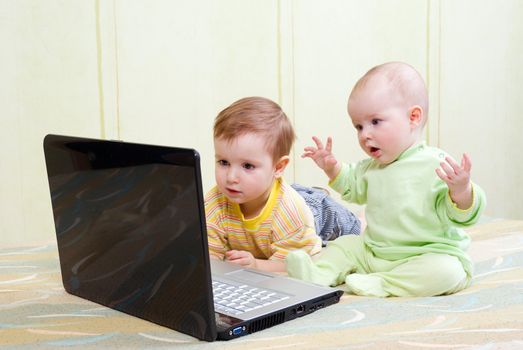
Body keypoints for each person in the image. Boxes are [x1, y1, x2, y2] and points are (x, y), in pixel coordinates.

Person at [286, 62, 487, 297]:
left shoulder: (436, 164)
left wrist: (461, 190)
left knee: (447, 271)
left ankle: (385, 284)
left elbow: (461, 215)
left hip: (425, 253)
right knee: (345, 245)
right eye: (358, 126)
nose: (365, 134)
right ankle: (316, 274)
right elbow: (351, 185)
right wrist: (332, 168)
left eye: (375, 122)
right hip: (375, 251)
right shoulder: (371, 168)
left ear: (413, 117)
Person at [205, 96, 322, 272]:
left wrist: (256, 265)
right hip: (270, 194)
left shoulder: (291, 213)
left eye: (247, 166)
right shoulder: (215, 203)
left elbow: (292, 265)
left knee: (350, 226)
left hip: (317, 212)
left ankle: (360, 218)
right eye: (223, 162)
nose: (231, 177)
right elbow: (210, 257)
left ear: (278, 167)